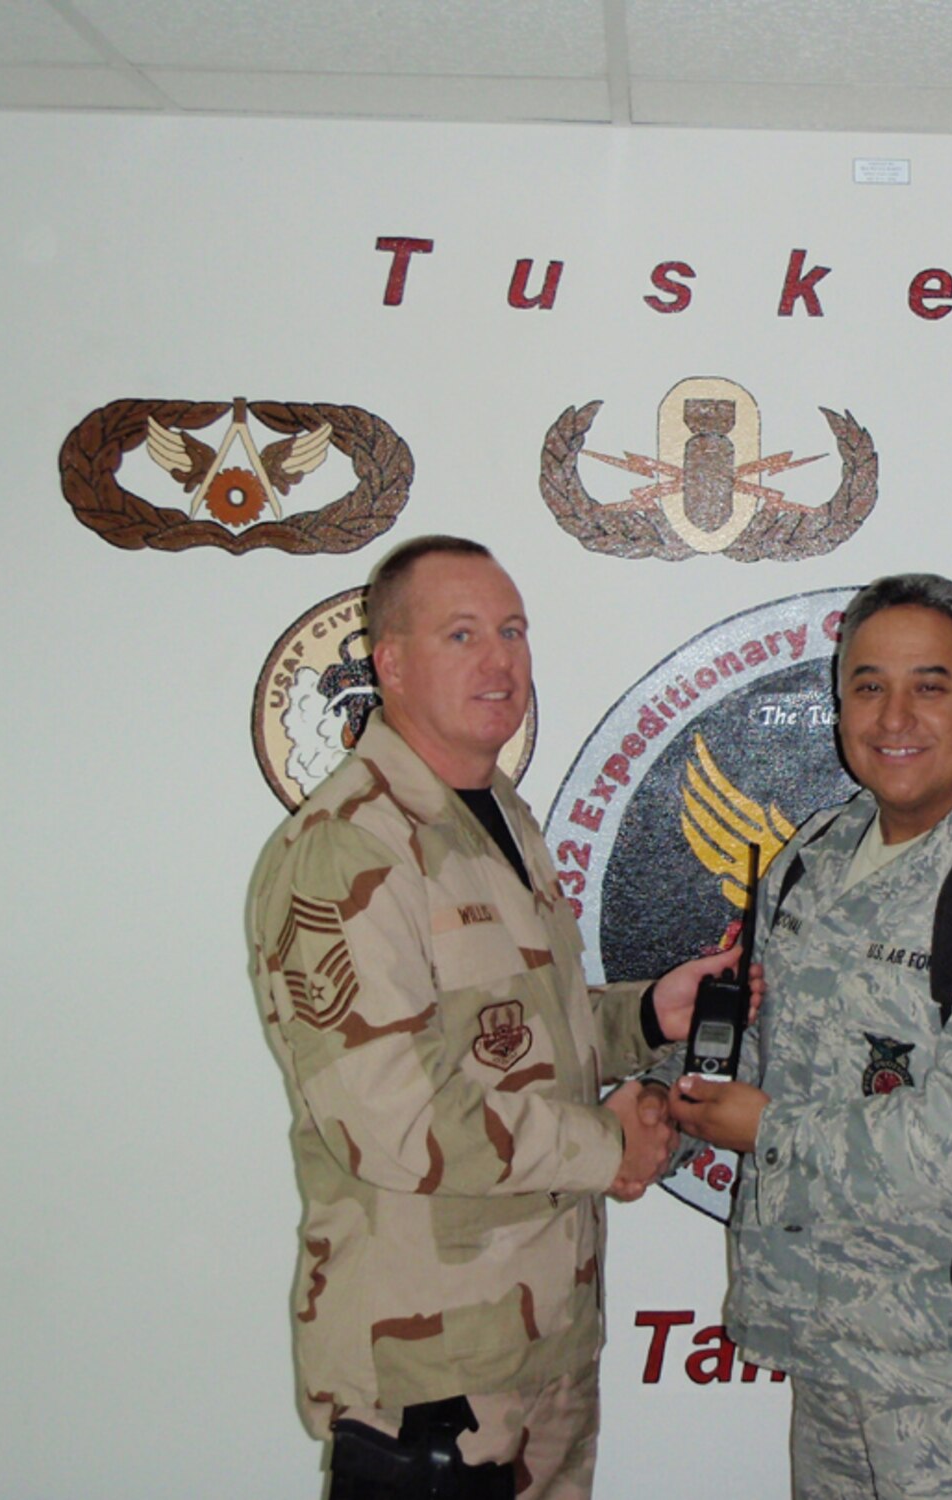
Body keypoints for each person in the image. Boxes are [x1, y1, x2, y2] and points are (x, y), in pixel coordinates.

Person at [247, 535, 749, 1500]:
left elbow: (512, 1039)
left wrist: (648, 1015)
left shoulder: (498, 815)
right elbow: (393, 1114)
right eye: (462, 634)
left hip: (539, 1342)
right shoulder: (347, 848)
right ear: (391, 663)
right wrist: (608, 1144)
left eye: (513, 631)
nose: (500, 661)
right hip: (430, 1373)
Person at [671, 574, 952, 1500]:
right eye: (868, 686)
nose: (894, 717)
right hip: (834, 1350)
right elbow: (773, 1051)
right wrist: (670, 1095)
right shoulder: (816, 856)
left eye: (930, 685)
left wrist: (766, 1130)